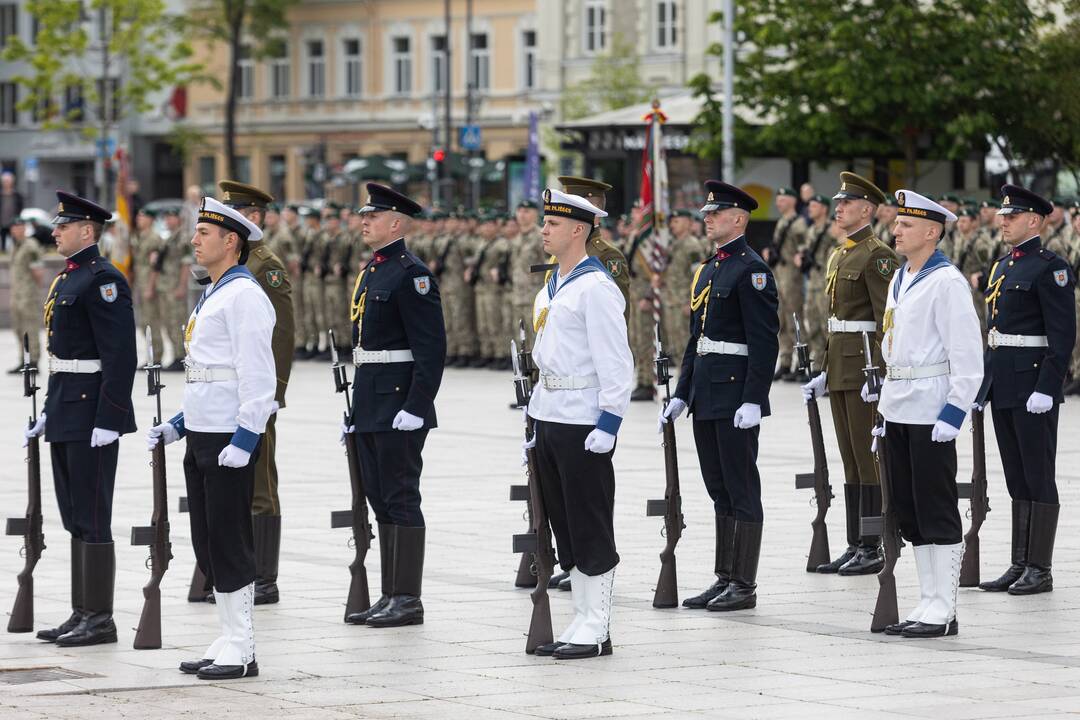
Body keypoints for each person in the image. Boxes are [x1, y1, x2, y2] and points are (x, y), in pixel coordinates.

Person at [147, 196, 275, 680]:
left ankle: (242, 646)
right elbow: (209, 375)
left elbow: (257, 376)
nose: (195, 240)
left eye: (204, 233)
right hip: (203, 432)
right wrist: (178, 424)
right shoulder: (215, 291)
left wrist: (245, 439)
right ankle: (226, 634)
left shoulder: (245, 295)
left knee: (229, 538)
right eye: (196, 232)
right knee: (206, 540)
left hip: (228, 439)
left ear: (231, 241)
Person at [661, 181, 779, 612]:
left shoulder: (752, 270)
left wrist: (754, 398)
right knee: (718, 489)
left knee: (741, 486)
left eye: (716, 213)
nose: (707, 218)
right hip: (706, 393)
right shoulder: (708, 268)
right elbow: (697, 339)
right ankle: (724, 575)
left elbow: (765, 342)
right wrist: (682, 392)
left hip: (734, 396)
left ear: (739, 219)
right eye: (706, 213)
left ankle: (744, 584)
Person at [25, 191, 137, 647]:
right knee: (73, 514)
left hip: (92, 410)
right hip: (66, 407)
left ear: (87, 231)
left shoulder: (104, 280)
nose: (54, 231)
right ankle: (81, 610)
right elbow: (61, 356)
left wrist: (111, 416)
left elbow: (120, 355)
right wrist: (48, 413)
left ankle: (101, 618)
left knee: (93, 514)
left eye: (63, 225)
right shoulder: (67, 279)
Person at [526, 188, 632, 659]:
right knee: (564, 524)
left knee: (589, 523)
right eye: (544, 222)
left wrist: (609, 423)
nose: (543, 230)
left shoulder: (597, 287)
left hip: (583, 420)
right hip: (549, 413)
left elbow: (616, 362)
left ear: (578, 230)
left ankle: (598, 624)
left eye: (552, 223)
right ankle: (581, 616)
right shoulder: (553, 284)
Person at [877, 190, 983, 638]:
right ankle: (926, 602)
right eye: (897, 223)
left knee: (936, 506)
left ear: (932, 232)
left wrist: (955, 411)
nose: (896, 230)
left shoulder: (947, 281)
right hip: (899, 404)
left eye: (905, 225)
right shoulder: (899, 277)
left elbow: (967, 353)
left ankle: (945, 608)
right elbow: (891, 341)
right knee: (910, 509)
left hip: (931, 408)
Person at [341, 184, 446, 628]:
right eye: (364, 216)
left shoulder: (410, 273)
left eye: (373, 216)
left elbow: (431, 347)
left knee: (402, 496)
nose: (364, 221)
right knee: (380, 499)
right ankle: (389, 594)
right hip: (370, 402)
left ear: (396, 223)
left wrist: (418, 405)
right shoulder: (372, 270)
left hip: (399, 404)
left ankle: (408, 597)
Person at [977, 185, 1076, 595]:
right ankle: (1020, 562)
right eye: (1003, 215)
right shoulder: (1002, 266)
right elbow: (994, 332)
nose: (1003, 221)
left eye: (1011, 215)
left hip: (1033, 383)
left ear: (1034, 221)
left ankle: (1041, 567)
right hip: (1003, 381)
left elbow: (1063, 334)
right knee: (1016, 475)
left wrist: (1048, 387)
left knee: (1038, 474)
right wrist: (982, 385)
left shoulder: (1050, 267)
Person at [801, 172, 898, 575]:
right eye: (837, 202)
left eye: (846, 203)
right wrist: (825, 367)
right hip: (840, 364)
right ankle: (855, 541)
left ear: (867, 210)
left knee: (868, 457)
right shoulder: (839, 254)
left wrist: (880, 374)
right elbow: (835, 319)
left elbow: (885, 321)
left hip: (864, 370)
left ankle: (873, 544)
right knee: (849, 459)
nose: (838, 208)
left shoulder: (878, 256)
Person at [218, 180, 296, 605]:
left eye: (240, 213)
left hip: (257, 393)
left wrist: (274, 393)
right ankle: (240, 569)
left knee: (261, 482)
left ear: (257, 217)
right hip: (228, 392)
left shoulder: (265, 266)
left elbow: (283, 333)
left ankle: (265, 577)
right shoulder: (232, 266)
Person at [765, 187, 807, 380]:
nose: (778, 203)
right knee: (780, 319)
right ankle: (785, 362)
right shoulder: (782, 222)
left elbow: (802, 252)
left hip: (792, 277)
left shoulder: (798, 224)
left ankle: (802, 363)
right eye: (778, 199)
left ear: (792, 201)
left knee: (794, 319)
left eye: (782, 199)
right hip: (779, 275)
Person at [7, 216, 45, 372]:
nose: (17, 230)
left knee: (30, 328)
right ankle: (24, 360)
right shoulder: (15, 246)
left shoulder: (31, 246)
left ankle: (33, 361)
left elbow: (38, 272)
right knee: (18, 328)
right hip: (17, 295)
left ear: (24, 228)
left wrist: (34, 292)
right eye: (14, 227)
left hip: (29, 295)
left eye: (20, 227)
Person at [1, 170, 25, 253]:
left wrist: (18, 216)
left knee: (15, 238)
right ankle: (3, 251)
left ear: (12, 182)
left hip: (13, 220)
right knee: (3, 238)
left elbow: (21, 206)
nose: (6, 183)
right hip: (2, 220)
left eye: (8, 181)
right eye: (5, 181)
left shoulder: (16, 194)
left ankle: (16, 252)